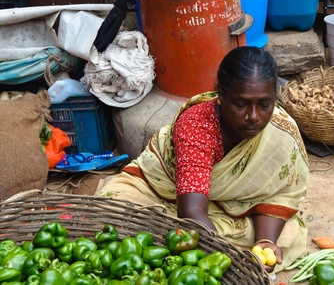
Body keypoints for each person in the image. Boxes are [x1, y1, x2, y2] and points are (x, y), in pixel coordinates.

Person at [96, 46, 309, 273]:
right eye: (241, 104)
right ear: (221, 96)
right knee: (112, 211)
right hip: (163, 192)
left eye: (264, 104)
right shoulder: (198, 125)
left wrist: (265, 242)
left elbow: (279, 195)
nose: (253, 117)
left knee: (287, 235)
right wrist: (228, 257)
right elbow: (192, 213)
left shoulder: (281, 130)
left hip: (235, 208)